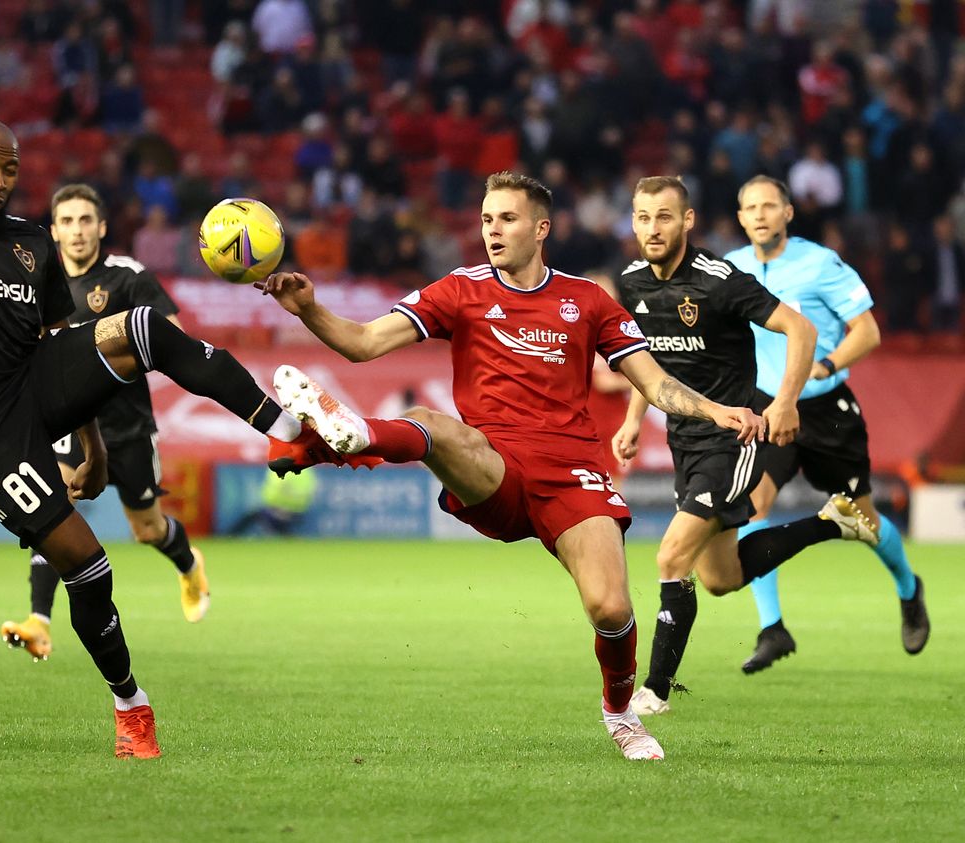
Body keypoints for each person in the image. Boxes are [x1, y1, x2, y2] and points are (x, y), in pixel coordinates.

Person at [0, 118, 368, 759]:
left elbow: (60, 347)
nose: (1, 181)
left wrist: (91, 447)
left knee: (144, 328)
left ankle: (287, 433)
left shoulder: (31, 243)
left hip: (34, 383)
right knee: (89, 567)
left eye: (11, 170)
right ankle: (131, 706)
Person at [259, 170, 769, 762]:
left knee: (611, 608)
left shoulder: (588, 301)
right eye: (485, 220)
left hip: (573, 473)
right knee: (434, 421)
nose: (492, 231)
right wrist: (308, 310)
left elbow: (654, 383)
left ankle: (620, 713)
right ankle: (355, 434)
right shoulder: (460, 289)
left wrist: (716, 411)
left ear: (541, 228)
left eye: (505, 219)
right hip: (495, 466)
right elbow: (365, 342)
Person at [613, 175, 879, 718]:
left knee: (669, 556)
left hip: (731, 439)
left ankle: (654, 692)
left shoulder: (719, 281)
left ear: (687, 221)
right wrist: (633, 417)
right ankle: (835, 521)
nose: (652, 228)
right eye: (643, 217)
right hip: (685, 440)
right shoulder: (633, 281)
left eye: (664, 217)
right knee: (720, 578)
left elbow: (800, 330)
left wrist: (784, 403)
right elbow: (649, 361)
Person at [0, 183, 211, 665]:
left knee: (147, 529)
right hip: (68, 427)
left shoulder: (125, 277)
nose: (76, 231)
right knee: (51, 516)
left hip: (128, 429)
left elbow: (173, 337)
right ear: (53, 231)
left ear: (102, 228)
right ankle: (40, 621)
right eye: (67, 222)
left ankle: (187, 562)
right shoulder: (34, 284)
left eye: (85, 220)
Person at [726, 175, 929, 673]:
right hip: (768, 409)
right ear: (739, 217)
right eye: (750, 207)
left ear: (788, 212)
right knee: (753, 506)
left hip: (823, 407)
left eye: (769, 205)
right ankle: (772, 628)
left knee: (863, 522)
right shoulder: (731, 269)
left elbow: (868, 331)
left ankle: (908, 587)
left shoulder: (820, 264)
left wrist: (826, 366)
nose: (759, 215)